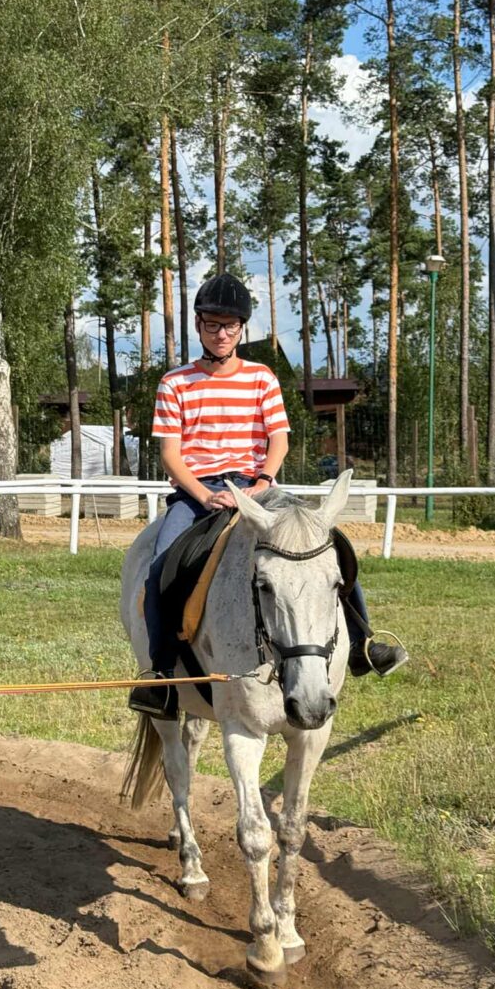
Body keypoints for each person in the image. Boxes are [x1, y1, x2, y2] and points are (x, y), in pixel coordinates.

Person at [129, 273, 408, 719]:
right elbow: (169, 453)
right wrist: (203, 494)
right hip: (197, 494)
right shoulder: (175, 382)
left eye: (230, 326)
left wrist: (262, 479)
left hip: (259, 487)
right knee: (160, 567)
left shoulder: (262, 378)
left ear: (242, 329)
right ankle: (162, 679)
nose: (221, 334)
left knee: (329, 548)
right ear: (198, 325)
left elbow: (278, 438)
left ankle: (363, 644)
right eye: (212, 325)